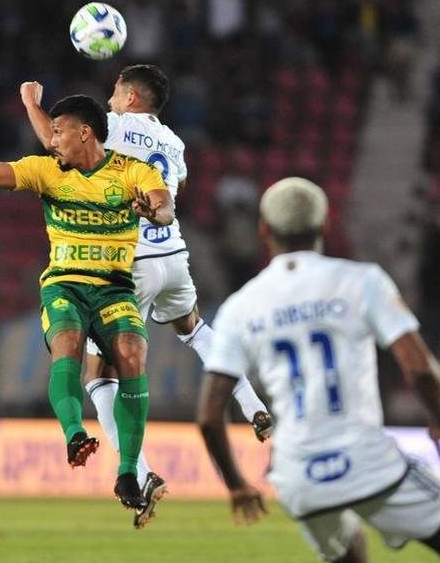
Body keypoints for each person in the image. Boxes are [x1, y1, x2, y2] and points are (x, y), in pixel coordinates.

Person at [197, 177, 440, 563]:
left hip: (296, 472)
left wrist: (236, 484)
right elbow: (420, 367)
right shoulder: (360, 281)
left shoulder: (241, 306)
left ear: (263, 231)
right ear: (325, 223)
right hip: (363, 456)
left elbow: (210, 412)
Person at [0, 92, 174, 523]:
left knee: (131, 355)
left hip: (114, 288)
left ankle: (128, 473)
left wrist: (154, 212)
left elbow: (164, 205)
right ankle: (74, 436)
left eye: (57, 131)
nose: (49, 140)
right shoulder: (45, 171)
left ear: (84, 133)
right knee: (66, 343)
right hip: (64, 286)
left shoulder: (131, 172)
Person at [20, 66, 272, 511]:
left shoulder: (111, 127)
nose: (111, 100)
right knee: (193, 328)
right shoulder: (174, 143)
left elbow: (55, 144)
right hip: (173, 254)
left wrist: (32, 104)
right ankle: (252, 403)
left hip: (128, 263)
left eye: (116, 92)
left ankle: (137, 473)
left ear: (131, 98)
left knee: (100, 376)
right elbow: (177, 188)